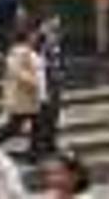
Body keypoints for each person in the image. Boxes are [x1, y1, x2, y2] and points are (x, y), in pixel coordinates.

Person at [0, 23, 43, 161]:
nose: (36, 37)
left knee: (36, 123)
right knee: (14, 126)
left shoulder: (26, 51)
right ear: (28, 36)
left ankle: (34, 153)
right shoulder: (19, 52)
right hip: (22, 96)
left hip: (27, 95)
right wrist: (34, 82)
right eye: (34, 34)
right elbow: (17, 72)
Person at [34, 15, 64, 156]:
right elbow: (40, 63)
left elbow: (59, 61)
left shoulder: (56, 42)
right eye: (52, 23)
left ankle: (50, 141)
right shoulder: (40, 43)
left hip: (55, 81)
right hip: (45, 82)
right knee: (45, 113)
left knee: (54, 112)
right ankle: (43, 143)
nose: (55, 26)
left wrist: (61, 72)